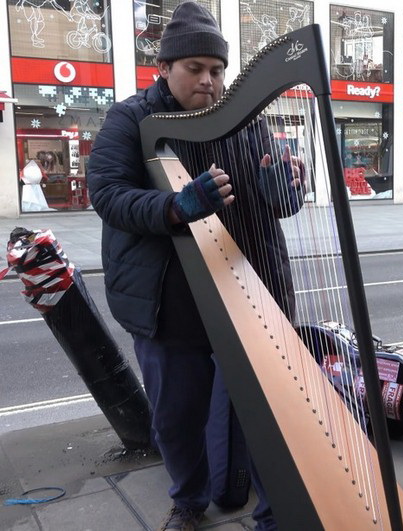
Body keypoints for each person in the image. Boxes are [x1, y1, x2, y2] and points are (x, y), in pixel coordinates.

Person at [87, 3, 304, 530]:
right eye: (195, 69)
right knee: (176, 416)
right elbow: (109, 194)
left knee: (266, 415)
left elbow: (276, 197)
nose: (209, 81)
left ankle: (275, 511)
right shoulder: (130, 119)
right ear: (164, 68)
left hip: (245, 291)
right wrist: (176, 206)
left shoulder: (245, 119)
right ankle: (187, 503)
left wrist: (285, 190)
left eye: (217, 70)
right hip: (169, 301)